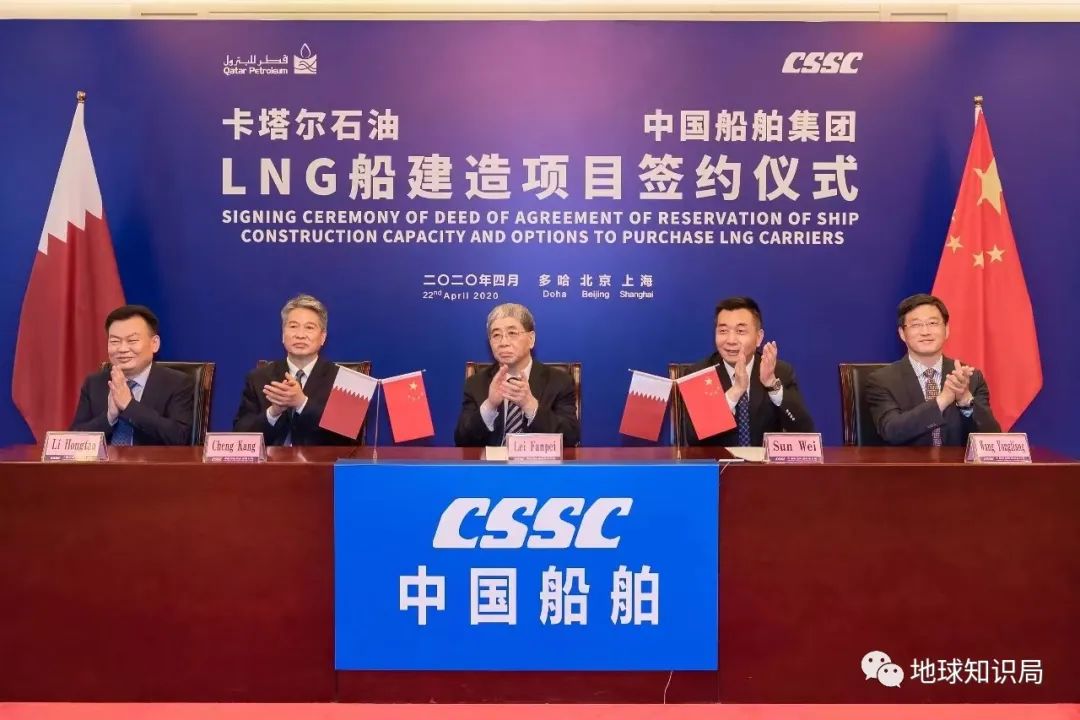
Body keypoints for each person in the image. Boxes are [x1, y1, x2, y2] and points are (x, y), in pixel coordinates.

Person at [866, 293, 1000, 446]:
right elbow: (892, 432)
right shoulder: (882, 380)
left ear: (947, 330)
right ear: (902, 334)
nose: (925, 332)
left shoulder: (970, 378)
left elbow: (992, 441)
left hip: (956, 462)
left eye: (932, 323)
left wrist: (965, 400)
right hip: (907, 462)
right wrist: (943, 399)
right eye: (916, 325)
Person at [684, 296, 814, 446]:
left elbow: (804, 430)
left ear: (758, 338)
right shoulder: (700, 374)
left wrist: (772, 385)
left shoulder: (779, 371)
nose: (731, 340)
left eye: (740, 331)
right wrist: (735, 392)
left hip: (764, 461)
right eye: (723, 331)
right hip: (719, 461)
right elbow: (693, 438)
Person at [233, 294, 361, 445]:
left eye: (309, 327)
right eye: (293, 326)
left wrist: (302, 403)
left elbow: (350, 440)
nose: (300, 335)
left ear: (323, 337)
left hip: (322, 461)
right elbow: (240, 437)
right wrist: (273, 413)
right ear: (283, 335)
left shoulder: (345, 381)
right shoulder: (258, 378)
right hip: (272, 460)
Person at [454, 303, 581, 447]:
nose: (503, 342)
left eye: (512, 333)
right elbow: (462, 441)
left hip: (539, 461)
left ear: (531, 339)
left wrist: (530, 405)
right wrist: (489, 405)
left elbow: (570, 438)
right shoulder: (476, 383)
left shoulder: (559, 381)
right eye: (496, 335)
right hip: (491, 462)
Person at [70, 304, 194, 445]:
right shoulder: (94, 383)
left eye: (132, 341)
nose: (123, 349)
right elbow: (73, 441)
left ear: (154, 344)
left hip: (150, 460)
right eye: (115, 341)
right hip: (106, 460)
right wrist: (109, 417)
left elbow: (179, 437)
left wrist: (129, 405)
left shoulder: (177, 383)